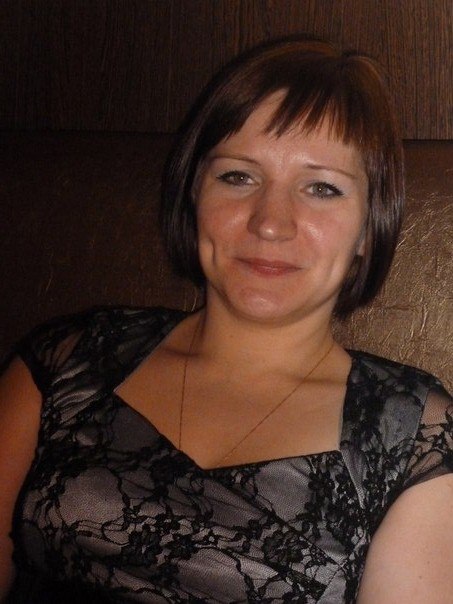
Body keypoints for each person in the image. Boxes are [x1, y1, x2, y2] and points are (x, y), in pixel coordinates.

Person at [1, 35, 452, 603]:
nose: (270, 222)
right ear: (194, 192)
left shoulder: (412, 438)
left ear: (369, 226)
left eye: (321, 188)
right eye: (238, 176)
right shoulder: (66, 361)